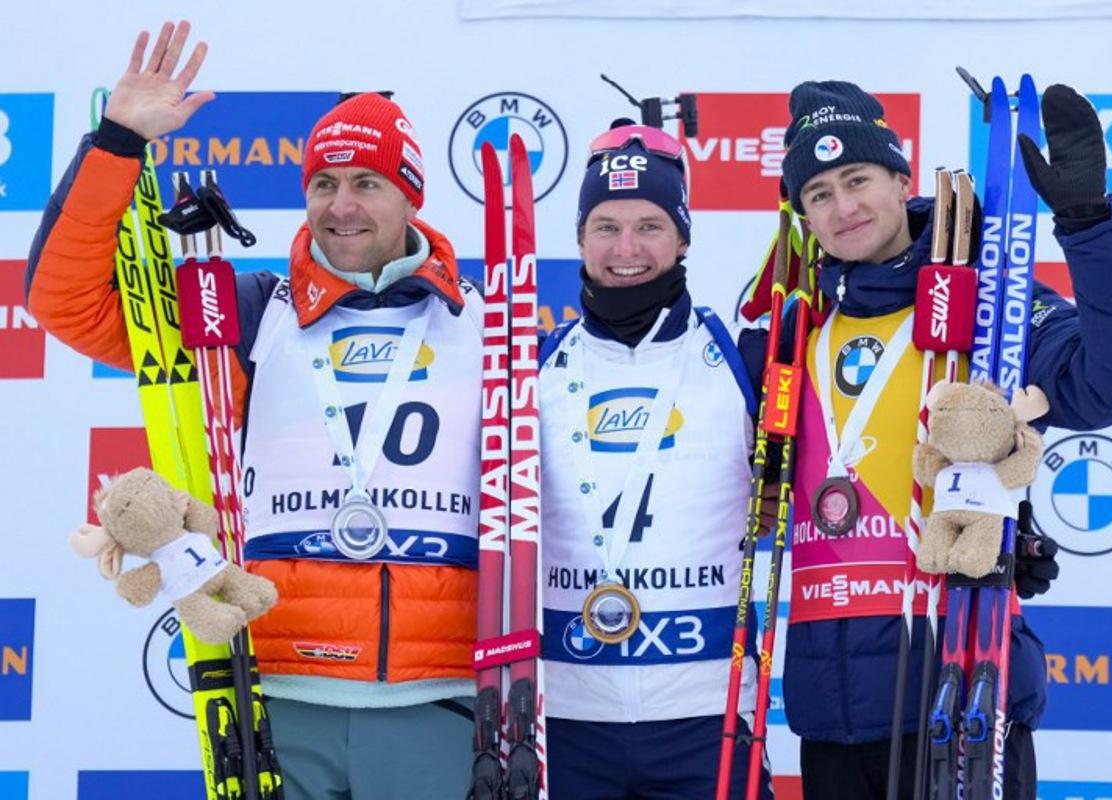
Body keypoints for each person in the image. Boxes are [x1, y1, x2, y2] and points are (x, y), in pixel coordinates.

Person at [26, 22, 480, 800]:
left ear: (411, 195)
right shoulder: (238, 315)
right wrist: (119, 142)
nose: (341, 207)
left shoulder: (487, 327)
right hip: (277, 691)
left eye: (367, 183)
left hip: (436, 700)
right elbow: (64, 301)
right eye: (323, 185)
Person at [774, 80, 1112, 799]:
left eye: (858, 180)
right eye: (820, 194)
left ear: (902, 182)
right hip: (827, 717)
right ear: (803, 215)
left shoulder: (989, 307)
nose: (844, 207)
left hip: (960, 692)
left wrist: (1090, 225)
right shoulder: (793, 337)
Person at [538, 120, 773, 799]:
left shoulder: (743, 361)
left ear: (683, 236)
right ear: (580, 239)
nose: (626, 249)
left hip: (706, 713)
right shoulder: (537, 369)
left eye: (649, 225)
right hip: (567, 715)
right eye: (605, 226)